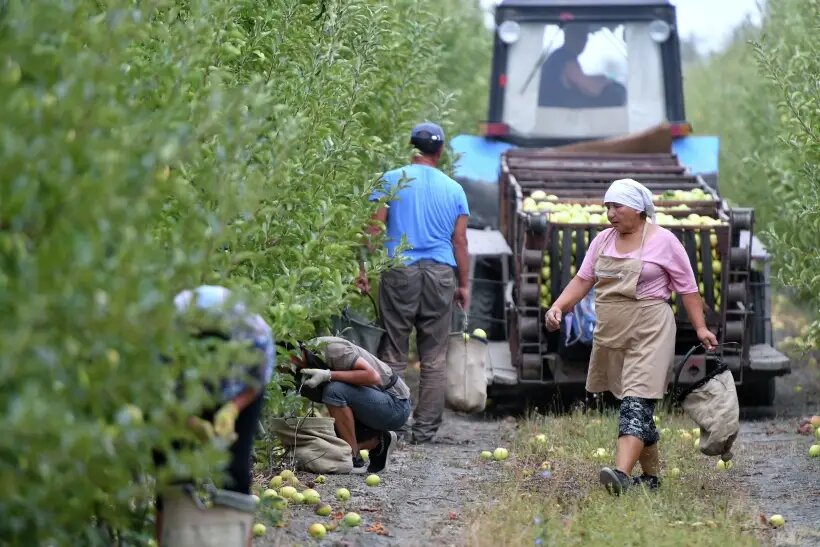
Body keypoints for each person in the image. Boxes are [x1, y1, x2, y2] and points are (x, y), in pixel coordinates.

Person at [544, 179, 718, 495]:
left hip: (651, 327)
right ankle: (650, 479)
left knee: (636, 399)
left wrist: (701, 328)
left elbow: (688, 289)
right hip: (613, 331)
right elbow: (584, 280)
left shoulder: (664, 241)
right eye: (607, 207)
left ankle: (621, 474)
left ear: (637, 209)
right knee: (633, 401)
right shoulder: (602, 242)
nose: (610, 213)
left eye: (616, 207)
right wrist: (558, 307)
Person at [358, 121, 470, 444]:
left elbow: (374, 232)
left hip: (399, 270)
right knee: (434, 355)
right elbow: (460, 242)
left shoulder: (392, 180)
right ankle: (424, 431)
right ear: (441, 151)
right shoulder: (455, 189)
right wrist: (464, 285)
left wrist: (363, 268)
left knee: (393, 350)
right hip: (440, 273)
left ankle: (393, 425)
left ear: (412, 148)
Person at [155, 285, 275, 543]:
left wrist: (233, 408)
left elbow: (258, 379)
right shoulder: (169, 331)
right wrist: (188, 420)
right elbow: (156, 389)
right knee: (172, 474)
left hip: (235, 390)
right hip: (181, 395)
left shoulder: (254, 333)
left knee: (237, 473)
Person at [291, 336, 411, 473]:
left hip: (396, 404)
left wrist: (328, 375)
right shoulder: (297, 369)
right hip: (371, 407)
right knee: (328, 435)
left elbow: (373, 377)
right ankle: (378, 441)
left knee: (334, 391)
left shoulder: (328, 348)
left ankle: (351, 458)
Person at [538, 24, 626, 108]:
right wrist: (606, 81)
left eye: (585, 38)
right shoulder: (563, 58)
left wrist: (601, 77)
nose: (583, 42)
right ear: (568, 36)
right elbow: (591, 88)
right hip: (554, 114)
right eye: (580, 36)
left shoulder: (562, 57)